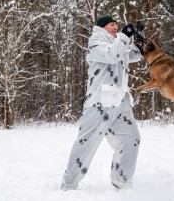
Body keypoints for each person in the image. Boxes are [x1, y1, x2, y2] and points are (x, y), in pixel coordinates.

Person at [61, 15, 144, 190]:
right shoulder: (96, 41)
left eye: (117, 24)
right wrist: (124, 35)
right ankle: (69, 184)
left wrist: (138, 38)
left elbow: (135, 55)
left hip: (120, 101)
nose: (116, 27)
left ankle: (122, 181)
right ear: (101, 27)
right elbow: (111, 55)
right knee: (86, 144)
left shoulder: (118, 43)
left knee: (131, 139)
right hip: (99, 103)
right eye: (112, 24)